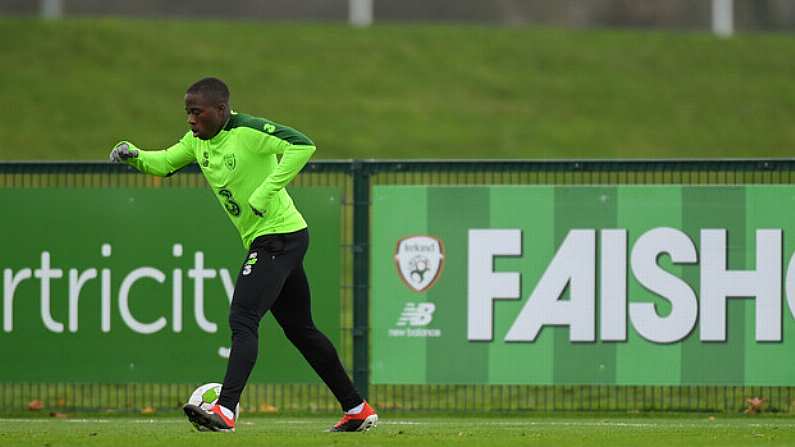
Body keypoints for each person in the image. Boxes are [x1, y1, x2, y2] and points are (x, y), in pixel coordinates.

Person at [109, 77, 377, 433]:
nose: (190, 120)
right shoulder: (198, 142)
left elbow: (303, 145)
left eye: (196, 112)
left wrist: (266, 192)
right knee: (301, 330)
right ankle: (357, 409)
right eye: (187, 113)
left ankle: (225, 410)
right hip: (272, 239)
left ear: (220, 110)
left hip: (279, 236)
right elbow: (164, 162)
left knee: (243, 317)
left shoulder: (248, 131)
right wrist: (135, 155)